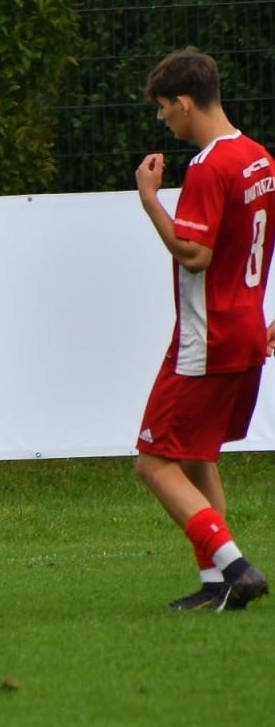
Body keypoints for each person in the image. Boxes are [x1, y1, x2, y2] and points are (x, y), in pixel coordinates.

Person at [132, 47, 271, 612]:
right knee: (197, 455)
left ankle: (236, 566)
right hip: (247, 333)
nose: (163, 119)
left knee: (152, 461)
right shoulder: (258, 157)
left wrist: (149, 202)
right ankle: (217, 583)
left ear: (184, 103)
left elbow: (195, 254)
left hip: (206, 339)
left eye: (165, 109)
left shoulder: (211, 166)